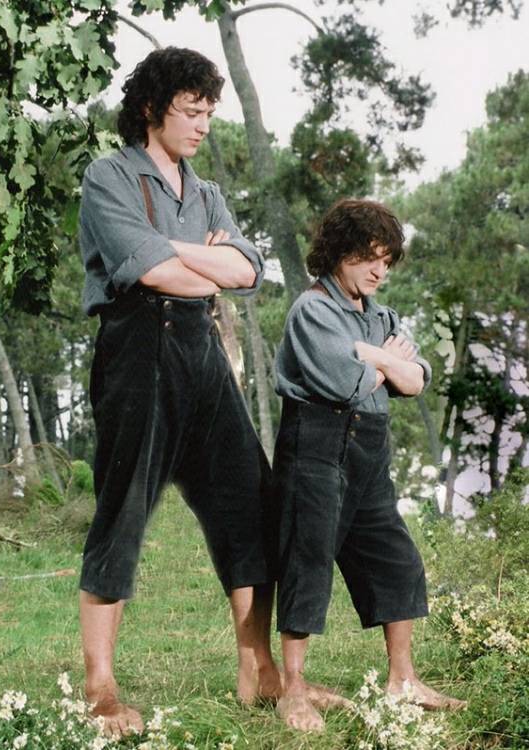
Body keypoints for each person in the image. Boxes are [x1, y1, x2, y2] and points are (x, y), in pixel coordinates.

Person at [77, 47, 283, 736]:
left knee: (250, 501)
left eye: (208, 114)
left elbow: (247, 272)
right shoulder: (109, 176)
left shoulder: (205, 191)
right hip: (137, 348)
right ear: (150, 108)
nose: (202, 126)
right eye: (190, 112)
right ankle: (100, 688)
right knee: (123, 510)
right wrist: (204, 261)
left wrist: (178, 252)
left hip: (204, 350)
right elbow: (149, 271)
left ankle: (258, 670)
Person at [272, 198, 467, 732]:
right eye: (368, 257)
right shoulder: (312, 310)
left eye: (386, 260)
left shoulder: (382, 316)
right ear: (339, 252)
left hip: (370, 449)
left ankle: (403, 680)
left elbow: (418, 379)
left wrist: (370, 356)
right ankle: (293, 689)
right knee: (308, 560)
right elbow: (343, 383)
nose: (379, 271)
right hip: (316, 445)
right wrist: (386, 359)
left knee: (396, 559)